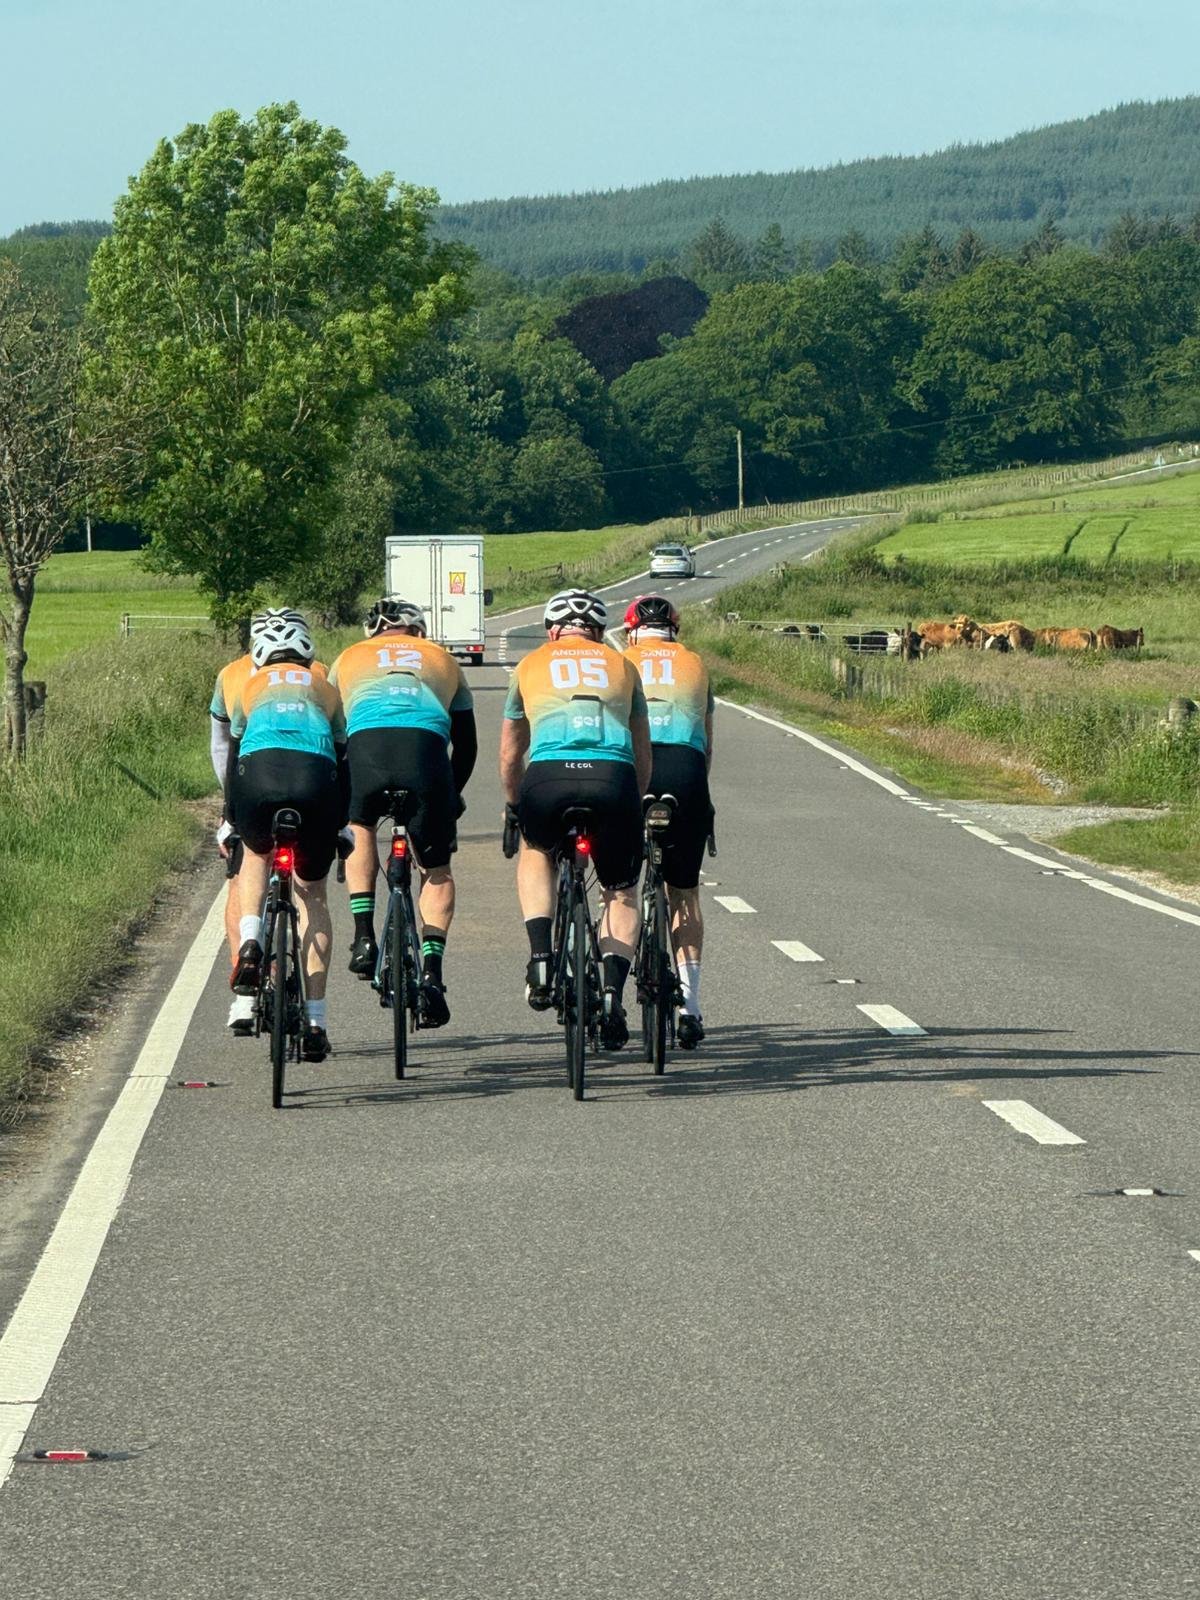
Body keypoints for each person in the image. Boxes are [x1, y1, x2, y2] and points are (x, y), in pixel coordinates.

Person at [499, 588, 651, 1050]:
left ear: (552, 631)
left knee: (537, 851)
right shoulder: (625, 666)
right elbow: (642, 752)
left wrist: (514, 806)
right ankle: (610, 991)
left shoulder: (529, 665)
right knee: (620, 890)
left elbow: (510, 753)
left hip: (548, 779)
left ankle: (542, 954)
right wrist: (634, 801)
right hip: (613, 778)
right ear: (600, 633)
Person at [328, 598, 477, 1028]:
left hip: (367, 752)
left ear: (373, 633)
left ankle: (362, 938)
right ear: (418, 631)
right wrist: (452, 794)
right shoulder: (444, 659)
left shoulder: (348, 658)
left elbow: (333, 731)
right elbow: (466, 745)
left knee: (358, 827)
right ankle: (432, 972)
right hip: (425, 758)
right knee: (437, 870)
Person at [226, 614, 347, 1062]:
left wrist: (231, 815)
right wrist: (343, 825)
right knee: (312, 893)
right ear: (309, 653)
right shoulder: (325, 687)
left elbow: (234, 751)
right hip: (316, 779)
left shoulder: (250, 687)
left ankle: (253, 941)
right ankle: (315, 1019)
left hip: (257, 778)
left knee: (255, 856)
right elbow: (343, 755)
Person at [209, 607, 308, 1035]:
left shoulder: (231, 675)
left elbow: (221, 749)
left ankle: (243, 999)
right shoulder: (315, 672)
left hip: (247, 785)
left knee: (243, 876)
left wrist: (230, 809)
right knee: (309, 887)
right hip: (308, 784)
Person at [622, 594, 715, 1048]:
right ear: (674, 631)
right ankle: (691, 1006)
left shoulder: (617, 660)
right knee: (684, 893)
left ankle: (609, 995)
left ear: (631, 631)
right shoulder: (695, 663)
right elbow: (707, 744)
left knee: (617, 887)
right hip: (686, 770)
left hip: (633, 768)